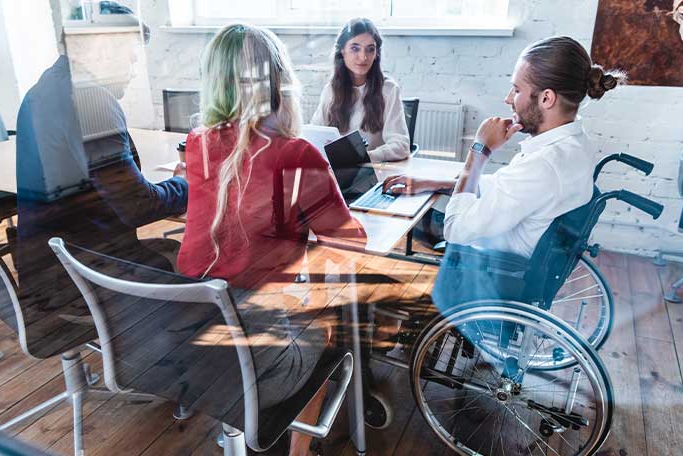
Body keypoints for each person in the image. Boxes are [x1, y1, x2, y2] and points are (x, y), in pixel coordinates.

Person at [176, 24, 363, 456]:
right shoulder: (296, 154)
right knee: (328, 324)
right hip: (255, 356)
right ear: (279, 82)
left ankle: (236, 430)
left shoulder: (196, 143)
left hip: (189, 345)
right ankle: (298, 451)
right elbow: (349, 245)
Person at [14, 12, 188, 357]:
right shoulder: (91, 100)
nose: (134, 67)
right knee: (194, 258)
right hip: (83, 278)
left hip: (49, 268)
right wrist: (185, 183)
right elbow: (139, 206)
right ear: (102, 50)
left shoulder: (44, 87)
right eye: (130, 55)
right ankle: (170, 368)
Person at [383, 36, 626, 259]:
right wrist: (434, 183)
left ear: (546, 98)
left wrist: (480, 150)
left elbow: (455, 230)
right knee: (408, 208)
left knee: (391, 219)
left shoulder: (544, 164)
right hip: (501, 236)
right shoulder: (574, 142)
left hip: (486, 262)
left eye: (517, 89)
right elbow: (506, 187)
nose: (508, 99)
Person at [311, 18, 410, 162]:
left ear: (376, 54)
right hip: (337, 171)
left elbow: (401, 146)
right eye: (355, 48)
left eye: (370, 49)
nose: (363, 57)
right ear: (342, 51)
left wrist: (365, 157)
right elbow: (316, 134)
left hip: (371, 172)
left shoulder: (388, 90)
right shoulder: (331, 89)